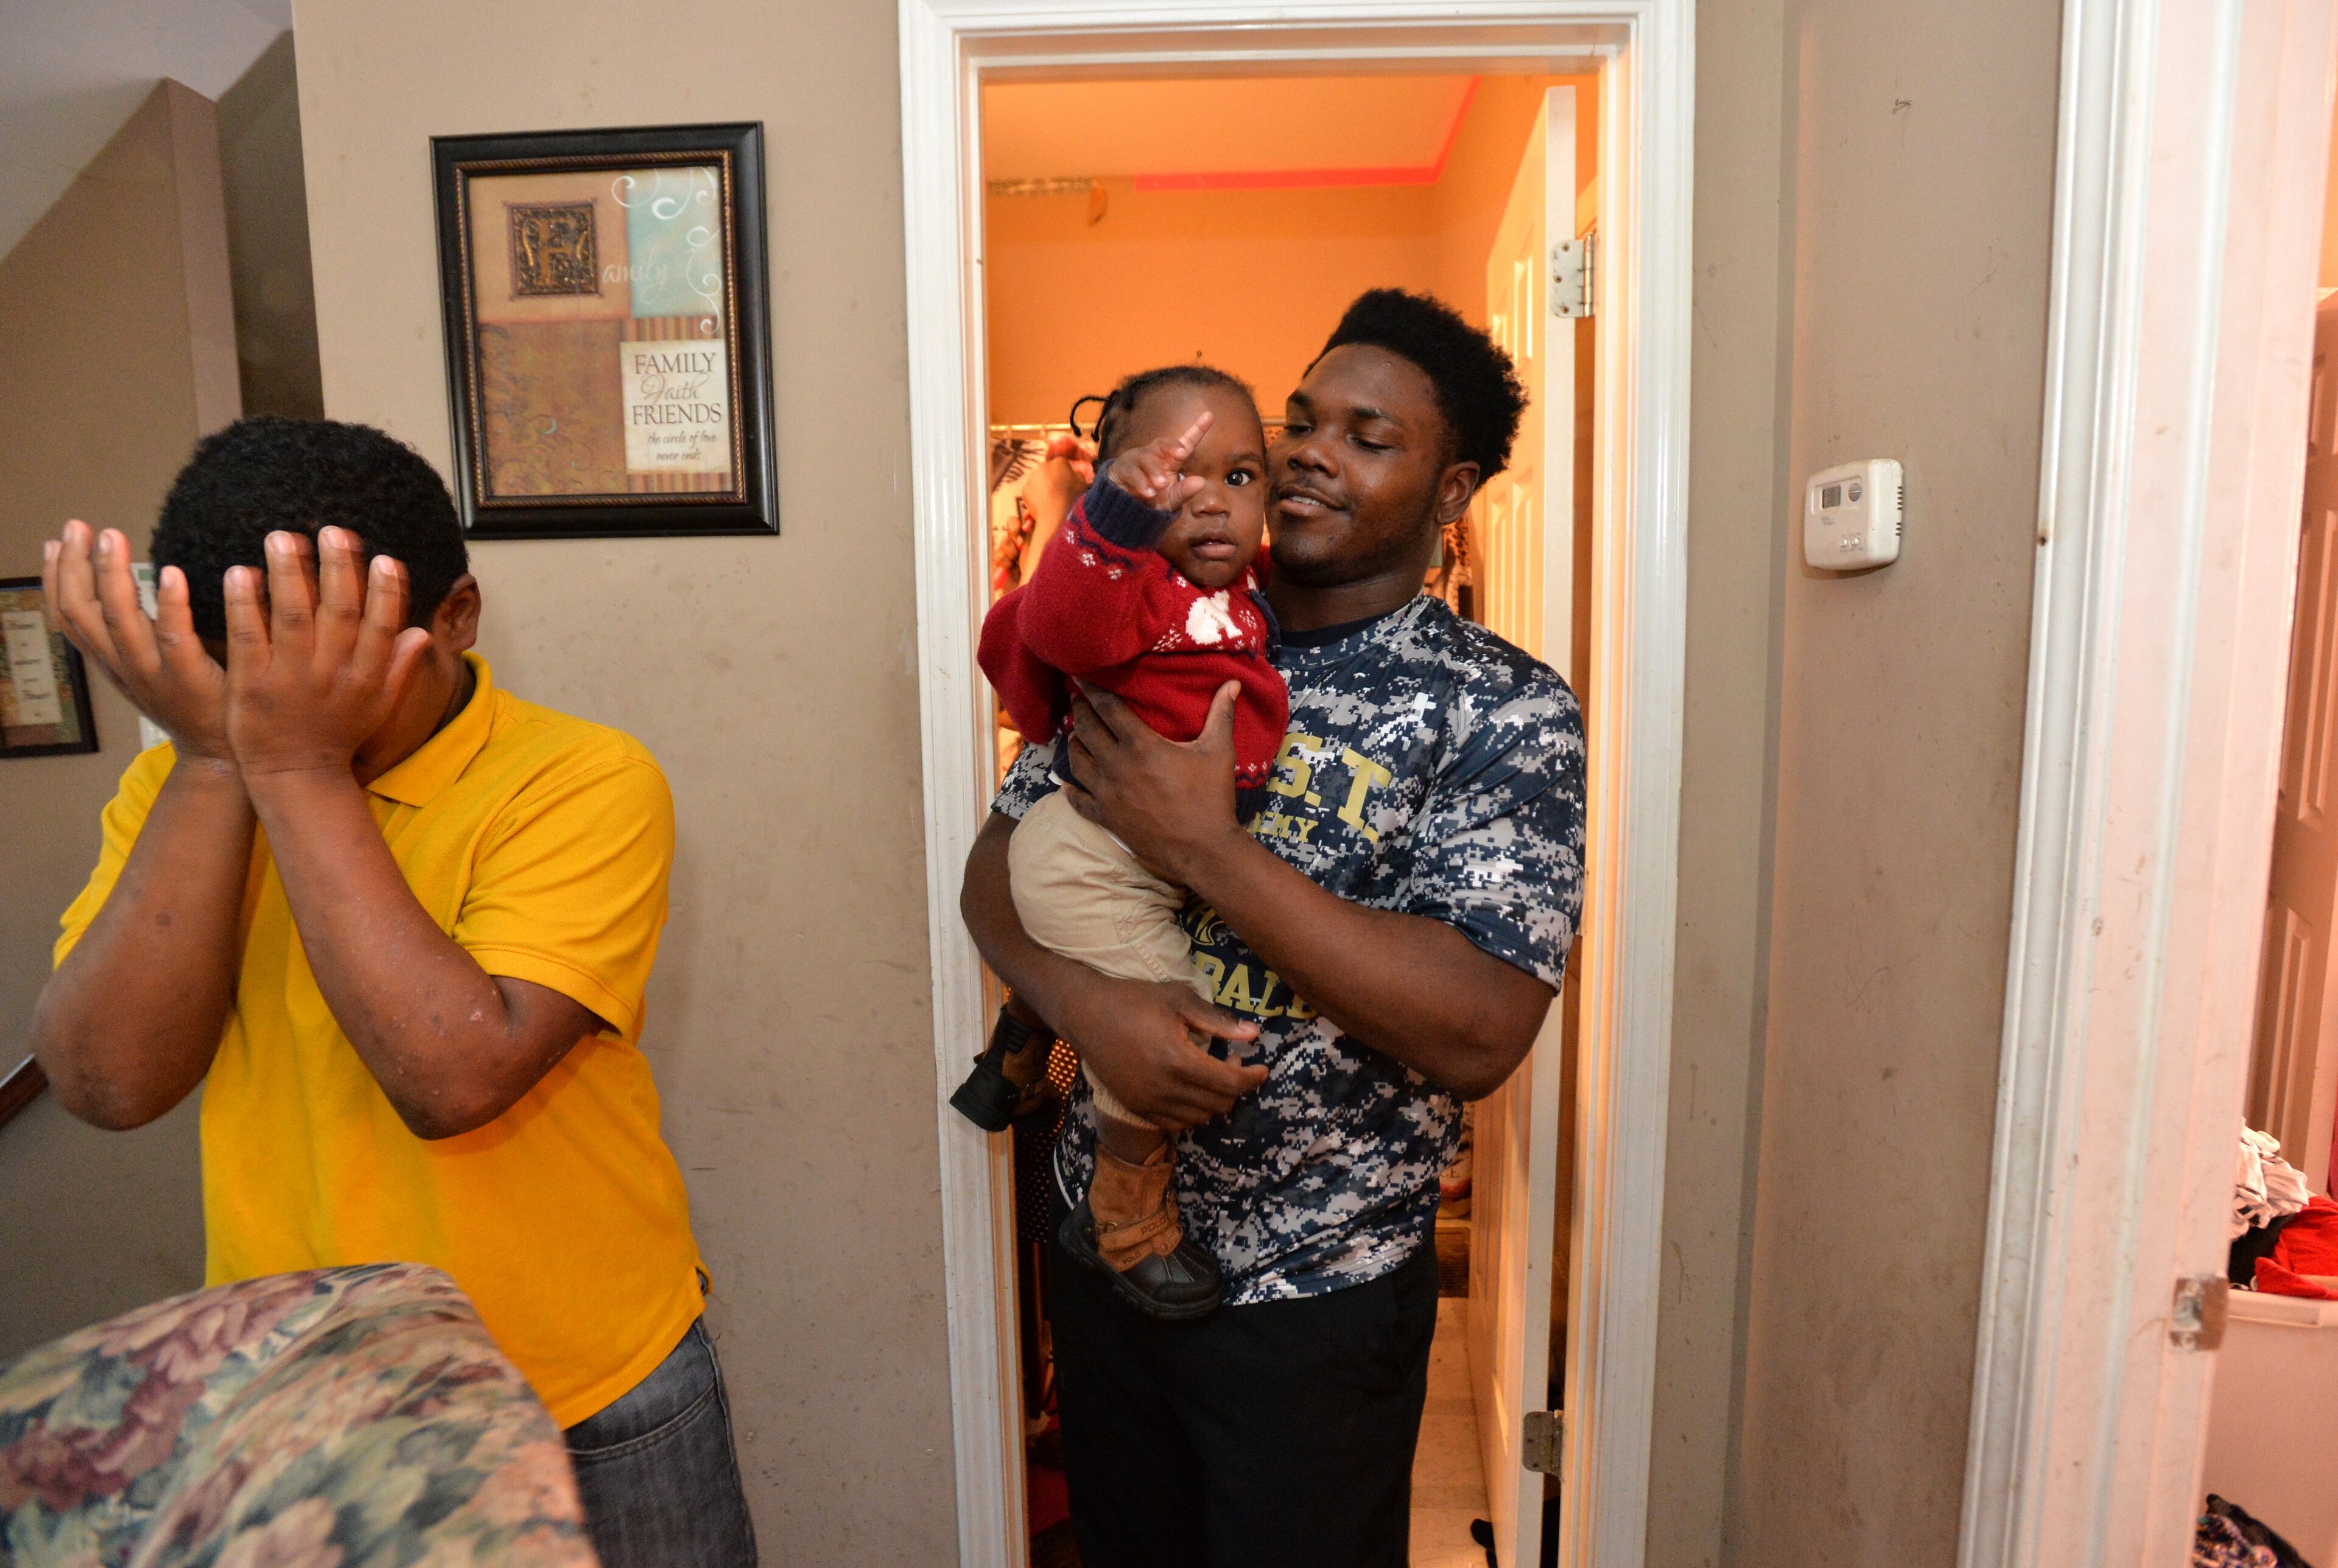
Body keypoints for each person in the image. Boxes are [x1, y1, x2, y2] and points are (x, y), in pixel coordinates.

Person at [30, 418, 756, 1568]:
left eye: (322, 663)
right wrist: (220, 763)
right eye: (238, 670)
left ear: (455, 620)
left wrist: (289, 765)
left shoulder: (582, 779)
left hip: (583, 1392)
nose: (276, 700)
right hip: (308, 1393)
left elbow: (454, 1073)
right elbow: (110, 1084)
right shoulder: (187, 781)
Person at [961, 289, 1587, 1567]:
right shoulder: (1155, 630)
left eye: (1368, 436)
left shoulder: (1503, 712)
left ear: (1451, 489)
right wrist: (1093, 1012)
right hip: (1107, 1262)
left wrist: (1204, 850)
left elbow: (1478, 1030)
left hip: (1320, 1303)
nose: (1309, 450)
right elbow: (994, 872)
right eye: (1301, 419)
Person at [952, 365, 1289, 1320]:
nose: (1215, 506)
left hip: (1128, 862)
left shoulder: (1247, 590)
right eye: (1180, 483)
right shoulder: (1131, 587)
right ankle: (1127, 1220)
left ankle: (1015, 1052)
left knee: (1111, 955)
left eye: (1241, 477)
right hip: (1090, 857)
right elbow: (1059, 621)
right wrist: (1108, 522)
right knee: (1177, 1029)